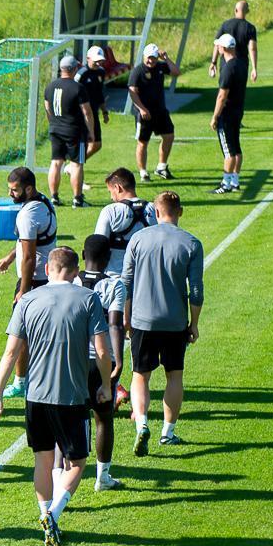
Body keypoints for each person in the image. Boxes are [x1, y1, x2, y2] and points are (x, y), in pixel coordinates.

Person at [0, 247, 112, 546]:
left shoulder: (28, 300)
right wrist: (106, 386)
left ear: (47, 269)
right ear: (76, 270)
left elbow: (11, 352)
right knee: (77, 463)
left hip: (36, 397)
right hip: (71, 396)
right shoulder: (88, 299)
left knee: (43, 461)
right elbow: (102, 351)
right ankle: (54, 514)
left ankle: (44, 514)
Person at [121, 191, 203, 456]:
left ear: (156, 212)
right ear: (180, 211)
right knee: (174, 375)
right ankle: (168, 433)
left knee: (140, 375)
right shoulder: (191, 243)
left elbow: (126, 282)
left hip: (142, 320)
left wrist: (126, 317)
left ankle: (142, 424)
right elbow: (196, 290)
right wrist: (194, 323)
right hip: (175, 321)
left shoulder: (138, 239)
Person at [95, 167, 155, 409]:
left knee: (110, 338)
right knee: (137, 337)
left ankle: (113, 387)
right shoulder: (152, 209)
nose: (111, 196)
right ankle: (136, 387)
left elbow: (98, 247)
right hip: (144, 283)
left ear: (118, 187)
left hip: (113, 283)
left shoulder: (111, 211)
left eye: (111, 191)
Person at [0, 167, 57, 399]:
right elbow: (30, 241)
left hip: (34, 280)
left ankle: (22, 383)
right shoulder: (43, 202)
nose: (10, 194)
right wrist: (11, 257)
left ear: (28, 189)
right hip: (46, 277)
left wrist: (24, 290)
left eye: (14, 190)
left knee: (20, 334)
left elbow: (30, 256)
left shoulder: (28, 214)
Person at [76, 235, 126, 491]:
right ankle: (102, 477)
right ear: (109, 258)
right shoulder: (115, 285)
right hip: (101, 359)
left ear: (83, 255)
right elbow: (115, 324)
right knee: (103, 418)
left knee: (73, 417)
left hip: (73, 360)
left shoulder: (71, 281)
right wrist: (118, 360)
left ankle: (64, 473)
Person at [44, 54, 95, 207]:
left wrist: (53, 123)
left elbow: (47, 108)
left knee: (56, 163)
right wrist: (91, 131)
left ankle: (54, 197)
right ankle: (77, 199)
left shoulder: (50, 86)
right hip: (75, 131)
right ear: (74, 69)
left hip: (55, 129)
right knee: (77, 164)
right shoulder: (78, 88)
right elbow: (87, 112)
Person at [128, 43, 181, 182]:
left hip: (160, 111)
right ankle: (143, 172)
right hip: (144, 114)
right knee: (143, 142)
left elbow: (176, 72)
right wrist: (142, 109)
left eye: (154, 58)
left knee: (169, 136)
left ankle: (161, 167)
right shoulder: (137, 71)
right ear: (144, 56)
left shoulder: (160, 67)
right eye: (149, 57)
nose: (151, 61)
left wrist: (167, 59)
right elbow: (133, 92)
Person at [210, 33, 247, 195]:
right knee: (236, 147)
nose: (217, 48)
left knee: (228, 151)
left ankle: (225, 184)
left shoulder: (228, 68)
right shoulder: (241, 64)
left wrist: (215, 116)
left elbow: (222, 96)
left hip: (227, 114)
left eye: (218, 45)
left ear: (223, 48)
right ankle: (235, 181)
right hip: (238, 111)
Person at [76, 46, 110, 164]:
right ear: (88, 59)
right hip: (81, 114)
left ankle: (75, 164)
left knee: (97, 144)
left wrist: (105, 111)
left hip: (93, 113)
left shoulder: (101, 72)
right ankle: (76, 166)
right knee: (83, 143)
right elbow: (72, 92)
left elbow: (100, 93)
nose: (98, 63)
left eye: (100, 60)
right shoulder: (81, 74)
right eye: (96, 60)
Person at [210, 0, 258, 85]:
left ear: (235, 10)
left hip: (226, 63)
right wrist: (254, 68)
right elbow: (252, 48)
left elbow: (217, 44)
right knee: (239, 90)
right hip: (242, 64)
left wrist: (213, 62)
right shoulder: (250, 28)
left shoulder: (226, 24)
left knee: (225, 88)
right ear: (247, 11)